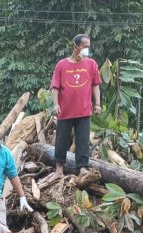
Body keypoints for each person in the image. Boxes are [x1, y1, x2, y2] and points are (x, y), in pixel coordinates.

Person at [50, 34, 101, 177]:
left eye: (88, 47)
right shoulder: (62, 65)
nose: (87, 50)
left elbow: (95, 85)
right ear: (76, 47)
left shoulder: (91, 64)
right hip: (65, 111)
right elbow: (55, 87)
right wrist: (56, 104)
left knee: (83, 141)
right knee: (62, 140)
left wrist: (97, 104)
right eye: (85, 47)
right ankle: (59, 169)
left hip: (84, 111)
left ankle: (82, 168)